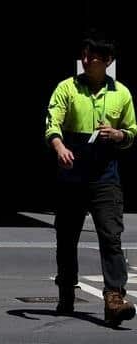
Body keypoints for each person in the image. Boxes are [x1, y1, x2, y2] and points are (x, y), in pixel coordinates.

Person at [45, 33, 137, 325]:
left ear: (107, 61)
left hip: (105, 176)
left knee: (111, 235)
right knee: (67, 236)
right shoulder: (67, 88)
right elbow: (52, 122)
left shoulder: (121, 93)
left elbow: (131, 132)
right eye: (84, 55)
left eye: (93, 57)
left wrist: (119, 134)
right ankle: (66, 289)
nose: (86, 61)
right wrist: (59, 146)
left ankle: (114, 297)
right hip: (72, 175)